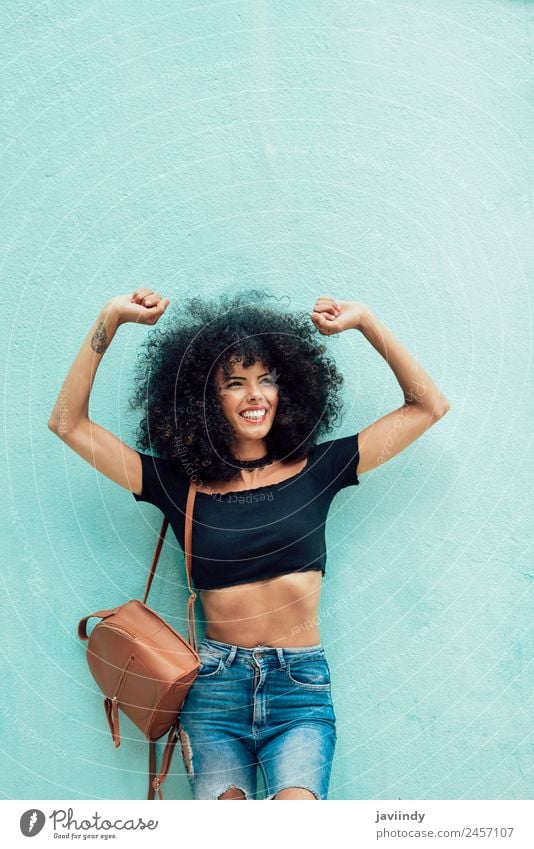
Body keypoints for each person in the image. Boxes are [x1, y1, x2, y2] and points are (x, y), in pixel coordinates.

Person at [48, 286, 450, 800]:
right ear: (206, 400)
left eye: (266, 380)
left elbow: (427, 406)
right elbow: (69, 424)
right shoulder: (180, 486)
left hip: (299, 691)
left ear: (289, 390)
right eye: (235, 383)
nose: (255, 395)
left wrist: (367, 321)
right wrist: (110, 318)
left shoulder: (320, 470)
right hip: (214, 692)